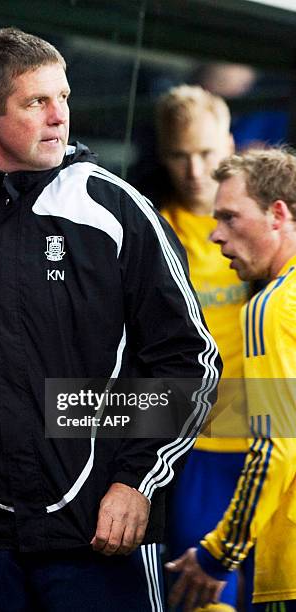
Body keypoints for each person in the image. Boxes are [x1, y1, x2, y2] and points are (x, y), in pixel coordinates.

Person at [0, 28, 220, 611]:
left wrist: (135, 481)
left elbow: (188, 362)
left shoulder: (117, 211)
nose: (59, 117)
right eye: (37, 102)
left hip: (99, 535)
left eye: (62, 97)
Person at [167, 147, 296, 610]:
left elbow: (275, 446)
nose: (216, 235)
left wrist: (218, 554)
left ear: (277, 214)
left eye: (230, 218)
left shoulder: (270, 307)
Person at [156, 85, 249, 610]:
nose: (195, 170)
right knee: (201, 596)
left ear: (231, 145)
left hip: (273, 438)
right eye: (179, 154)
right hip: (196, 447)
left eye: (208, 154)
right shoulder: (154, 231)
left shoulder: (274, 225)